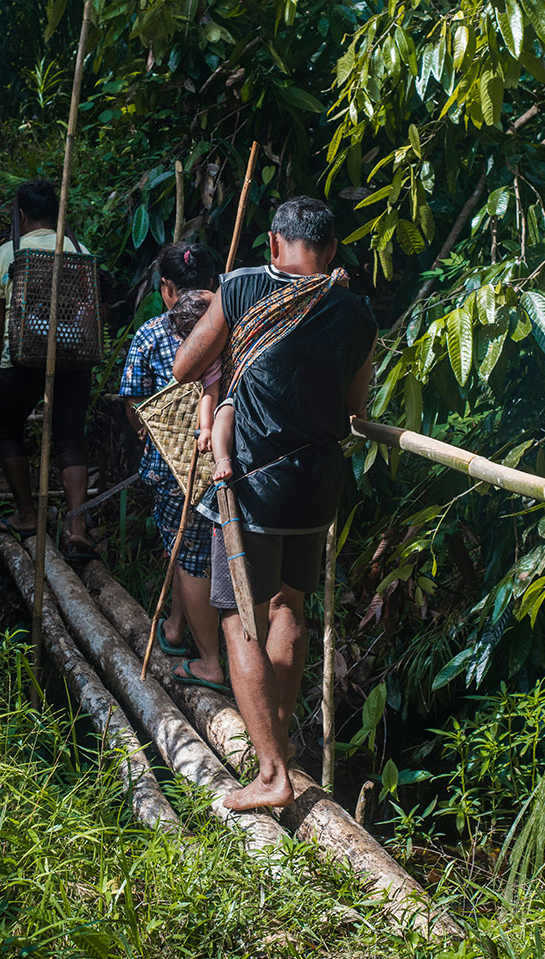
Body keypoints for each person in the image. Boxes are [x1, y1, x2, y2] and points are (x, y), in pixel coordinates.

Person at [173, 196, 377, 811]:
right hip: (317, 486)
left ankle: (270, 775)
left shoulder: (240, 290)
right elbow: (355, 410)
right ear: (332, 251)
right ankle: (280, 746)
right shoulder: (356, 313)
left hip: (252, 482)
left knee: (239, 619)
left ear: (272, 245)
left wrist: (234, 359)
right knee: (289, 606)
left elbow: (186, 366)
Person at [120, 242, 227, 692]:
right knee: (192, 552)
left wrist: (147, 428)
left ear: (166, 288)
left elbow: (134, 404)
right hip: (228, 461)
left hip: (175, 468)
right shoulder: (232, 328)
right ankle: (176, 628)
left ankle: (209, 661)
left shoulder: (151, 334)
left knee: (191, 559)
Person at [0, 179, 98, 557]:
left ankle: (26, 514)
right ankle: (77, 527)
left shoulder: (8, 253)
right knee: (69, 439)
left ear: (21, 215)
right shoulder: (79, 250)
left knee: (7, 430)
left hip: (21, 358)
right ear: (55, 213)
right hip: (75, 357)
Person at [167, 289, 233, 482]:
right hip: (228, 398)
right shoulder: (210, 357)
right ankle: (222, 459)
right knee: (224, 414)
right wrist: (205, 427)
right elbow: (209, 392)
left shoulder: (236, 320)